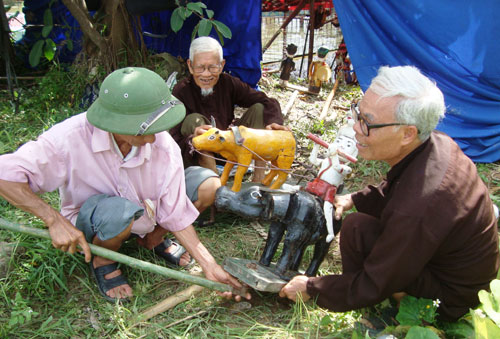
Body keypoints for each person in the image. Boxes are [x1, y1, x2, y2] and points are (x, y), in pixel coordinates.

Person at [0, 67, 249, 303]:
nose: (153, 138)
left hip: (146, 212)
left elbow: (175, 210)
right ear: (115, 123)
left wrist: (209, 265)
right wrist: (53, 220)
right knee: (119, 212)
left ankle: (152, 239)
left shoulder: (161, 144)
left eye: (157, 128)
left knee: (207, 184)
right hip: (99, 219)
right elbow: (5, 174)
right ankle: (102, 260)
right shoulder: (69, 138)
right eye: (144, 131)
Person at [279, 65, 499, 321]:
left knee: (364, 250)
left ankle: (396, 313)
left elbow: (375, 281)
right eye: (357, 113)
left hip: (452, 298)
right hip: (438, 257)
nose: (356, 128)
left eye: (367, 123)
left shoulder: (419, 205)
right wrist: (354, 198)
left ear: (408, 133)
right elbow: (396, 188)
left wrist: (311, 288)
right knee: (357, 227)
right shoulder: (435, 145)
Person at [170, 36, 288, 185]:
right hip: (196, 155)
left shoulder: (228, 83)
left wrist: (274, 123)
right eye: (200, 67)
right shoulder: (181, 91)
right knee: (194, 120)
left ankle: (258, 183)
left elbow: (267, 101)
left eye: (213, 67)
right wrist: (193, 139)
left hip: (226, 148)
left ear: (221, 65)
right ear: (190, 66)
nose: (206, 74)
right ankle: (216, 187)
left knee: (260, 109)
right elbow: (172, 140)